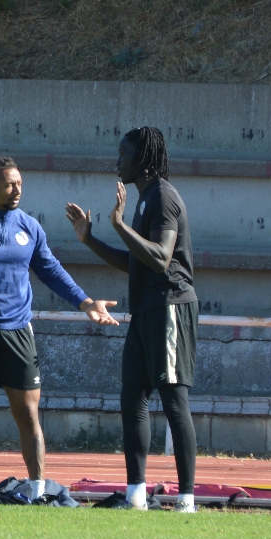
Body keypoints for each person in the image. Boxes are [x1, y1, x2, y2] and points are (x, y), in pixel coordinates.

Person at [0, 155, 119, 501]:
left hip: (19, 333)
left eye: (20, 183)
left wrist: (86, 303)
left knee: (28, 413)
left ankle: (39, 491)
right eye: (9, 184)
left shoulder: (30, 226)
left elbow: (52, 271)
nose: (17, 190)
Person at [64, 127, 200, 512]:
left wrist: (120, 226)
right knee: (132, 397)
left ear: (142, 157)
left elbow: (160, 257)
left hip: (170, 306)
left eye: (122, 153)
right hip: (144, 309)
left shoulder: (163, 196)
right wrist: (89, 238)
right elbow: (134, 263)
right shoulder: (144, 199)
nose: (116, 161)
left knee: (174, 399)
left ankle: (187, 500)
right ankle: (136, 495)